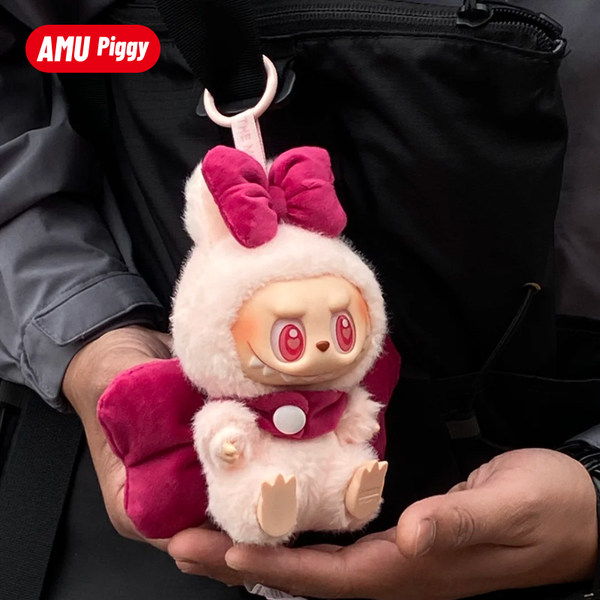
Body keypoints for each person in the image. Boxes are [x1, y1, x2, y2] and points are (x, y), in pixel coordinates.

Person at [1, 1, 599, 599]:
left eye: (341, 331)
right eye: (292, 336)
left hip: (560, 428)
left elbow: (359, 413)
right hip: (118, 463)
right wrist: (83, 329)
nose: (319, 351)